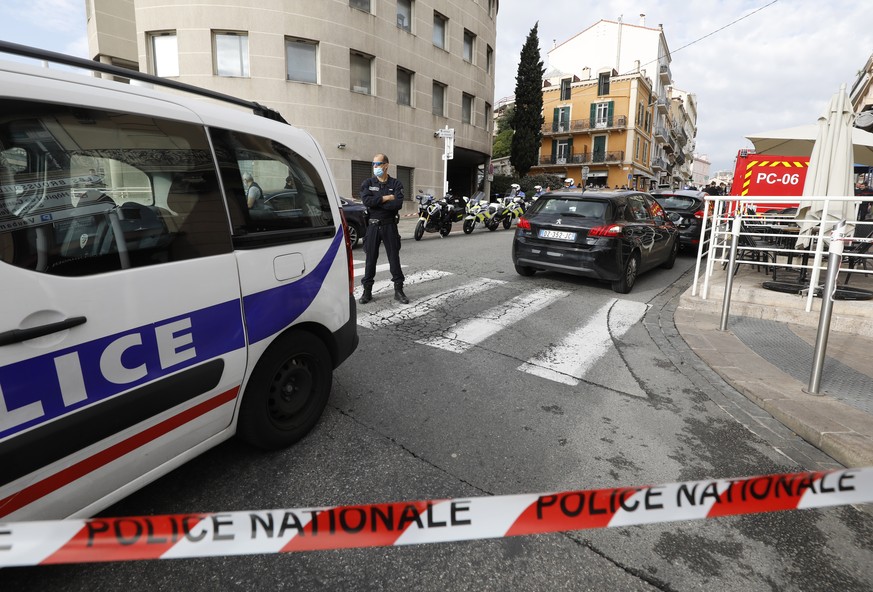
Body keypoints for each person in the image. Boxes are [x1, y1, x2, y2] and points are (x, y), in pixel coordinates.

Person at [358, 153, 407, 304]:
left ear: (386, 165)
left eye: (378, 164)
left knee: (394, 258)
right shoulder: (368, 182)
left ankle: (398, 291)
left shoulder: (396, 184)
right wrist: (385, 198)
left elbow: (397, 204)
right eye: (373, 164)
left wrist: (376, 201)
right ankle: (367, 292)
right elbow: (366, 201)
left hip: (389, 225)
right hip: (372, 225)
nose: (375, 167)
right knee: (370, 259)